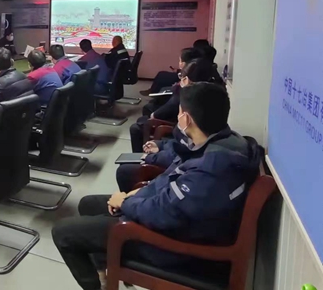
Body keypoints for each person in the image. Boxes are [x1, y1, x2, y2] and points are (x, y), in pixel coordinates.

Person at [52, 83, 261, 290]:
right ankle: (104, 272)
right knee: (88, 204)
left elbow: (163, 214)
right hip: (178, 221)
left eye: (179, 112)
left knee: (63, 233)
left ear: (186, 119)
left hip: (172, 246)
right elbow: (176, 188)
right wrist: (140, 192)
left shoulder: (212, 169)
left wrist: (126, 203)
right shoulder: (223, 142)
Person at [128, 59, 215, 153]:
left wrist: (152, 157)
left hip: (174, 135)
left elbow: (177, 151)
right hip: (177, 142)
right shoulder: (211, 93)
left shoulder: (187, 97)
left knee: (137, 126)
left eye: (181, 76)